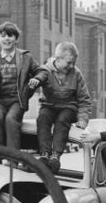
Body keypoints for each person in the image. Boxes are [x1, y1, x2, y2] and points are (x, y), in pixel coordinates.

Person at [28, 42, 91, 173]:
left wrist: (83, 119)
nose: (72, 66)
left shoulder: (76, 74)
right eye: (69, 62)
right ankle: (45, 153)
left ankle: (56, 155)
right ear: (58, 59)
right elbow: (38, 78)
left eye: (73, 62)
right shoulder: (46, 70)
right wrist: (35, 82)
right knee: (43, 118)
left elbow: (84, 99)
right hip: (49, 105)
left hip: (68, 107)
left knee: (63, 120)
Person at [0, 21, 41, 150]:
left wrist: (36, 79)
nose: (7, 39)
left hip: (17, 100)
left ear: (16, 39)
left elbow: (41, 71)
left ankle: (13, 159)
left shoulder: (25, 57)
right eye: (3, 36)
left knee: (11, 120)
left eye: (10, 36)